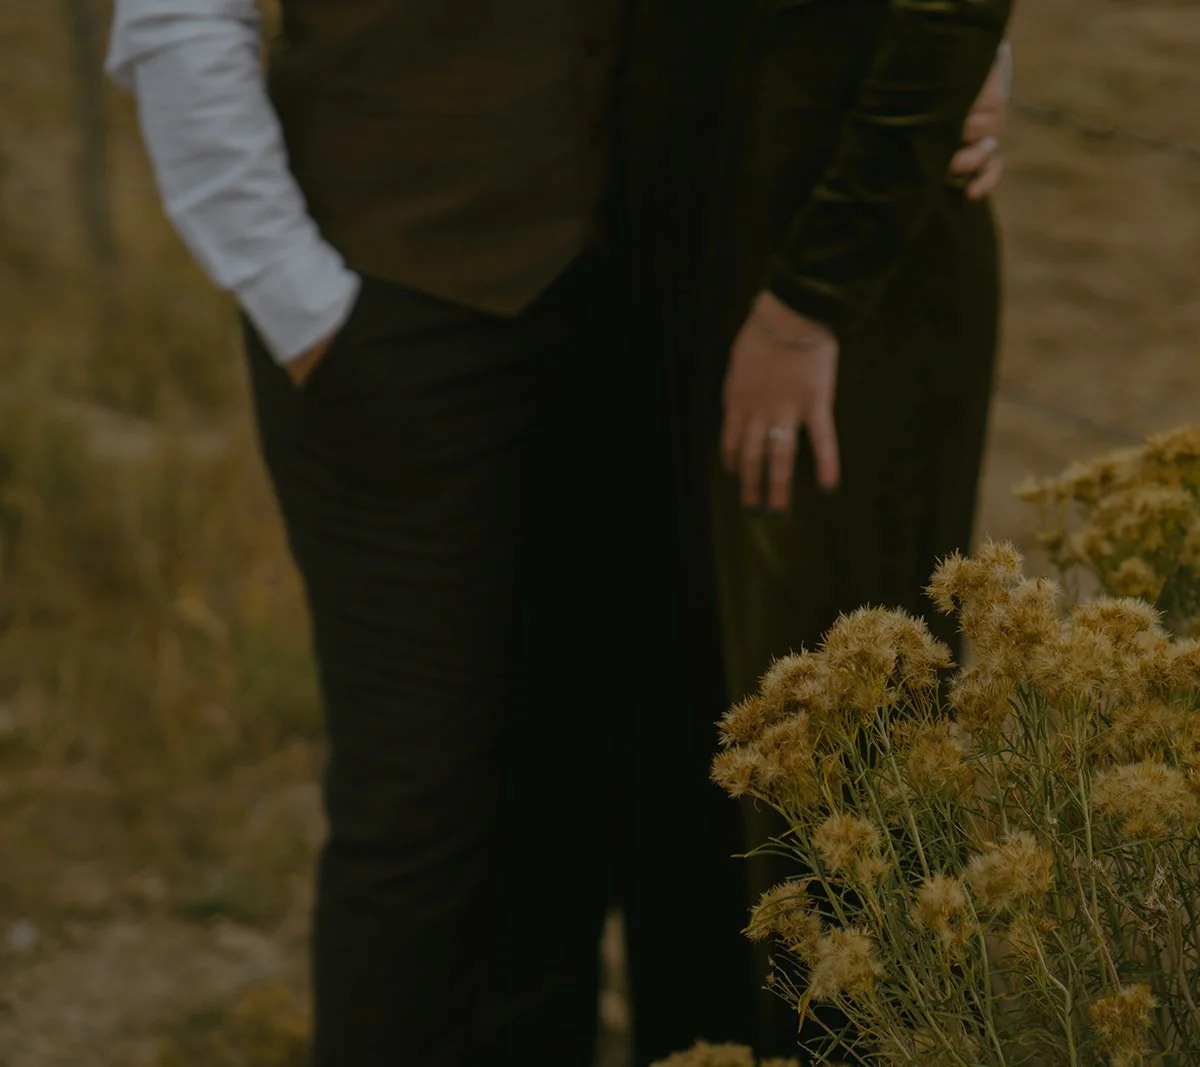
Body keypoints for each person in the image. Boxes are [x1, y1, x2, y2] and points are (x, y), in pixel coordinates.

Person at [105, 1, 1009, 1063]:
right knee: (424, 807)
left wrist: (978, 56)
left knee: (576, 801)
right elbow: (177, 17)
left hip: (629, 310)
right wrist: (301, 306)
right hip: (397, 318)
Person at [616, 0, 1014, 1060]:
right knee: (688, 743)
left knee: (833, 756)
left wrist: (807, 304)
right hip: (667, 250)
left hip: (842, 297)